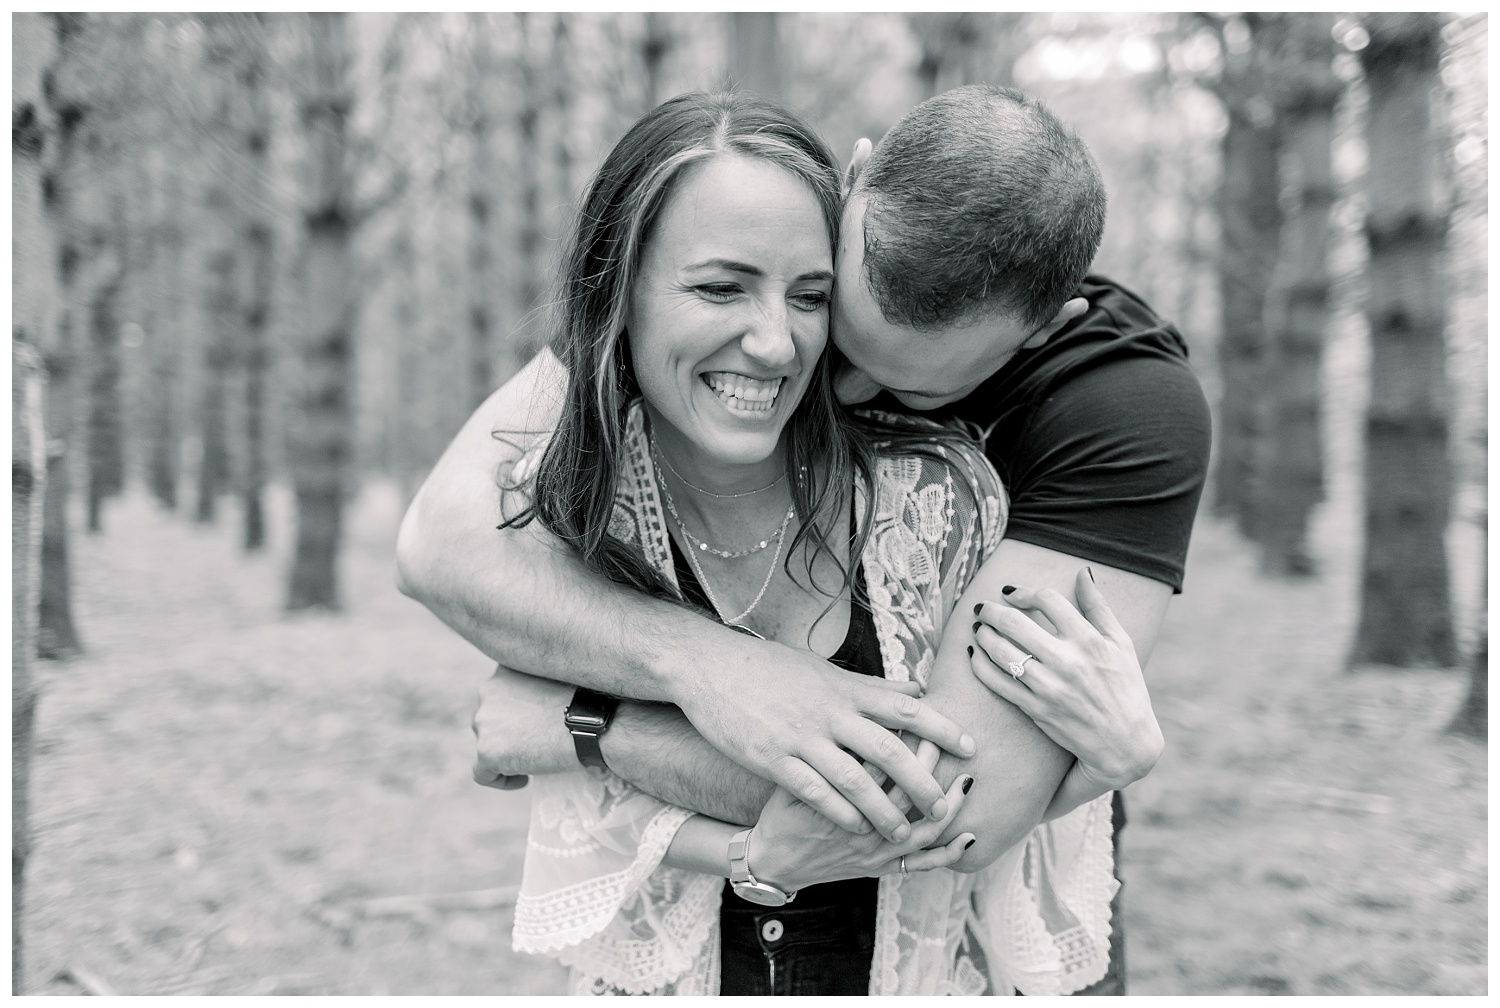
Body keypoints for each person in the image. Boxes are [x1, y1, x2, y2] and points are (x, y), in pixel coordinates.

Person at [397, 85, 1211, 994]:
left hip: (969, 940)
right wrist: (709, 670)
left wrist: (587, 727)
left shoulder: (1123, 414)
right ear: (850, 182)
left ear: (1041, 333)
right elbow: (440, 542)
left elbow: (955, 807)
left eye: (911, 388)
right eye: (845, 336)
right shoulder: (751, 252)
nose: (830, 385)